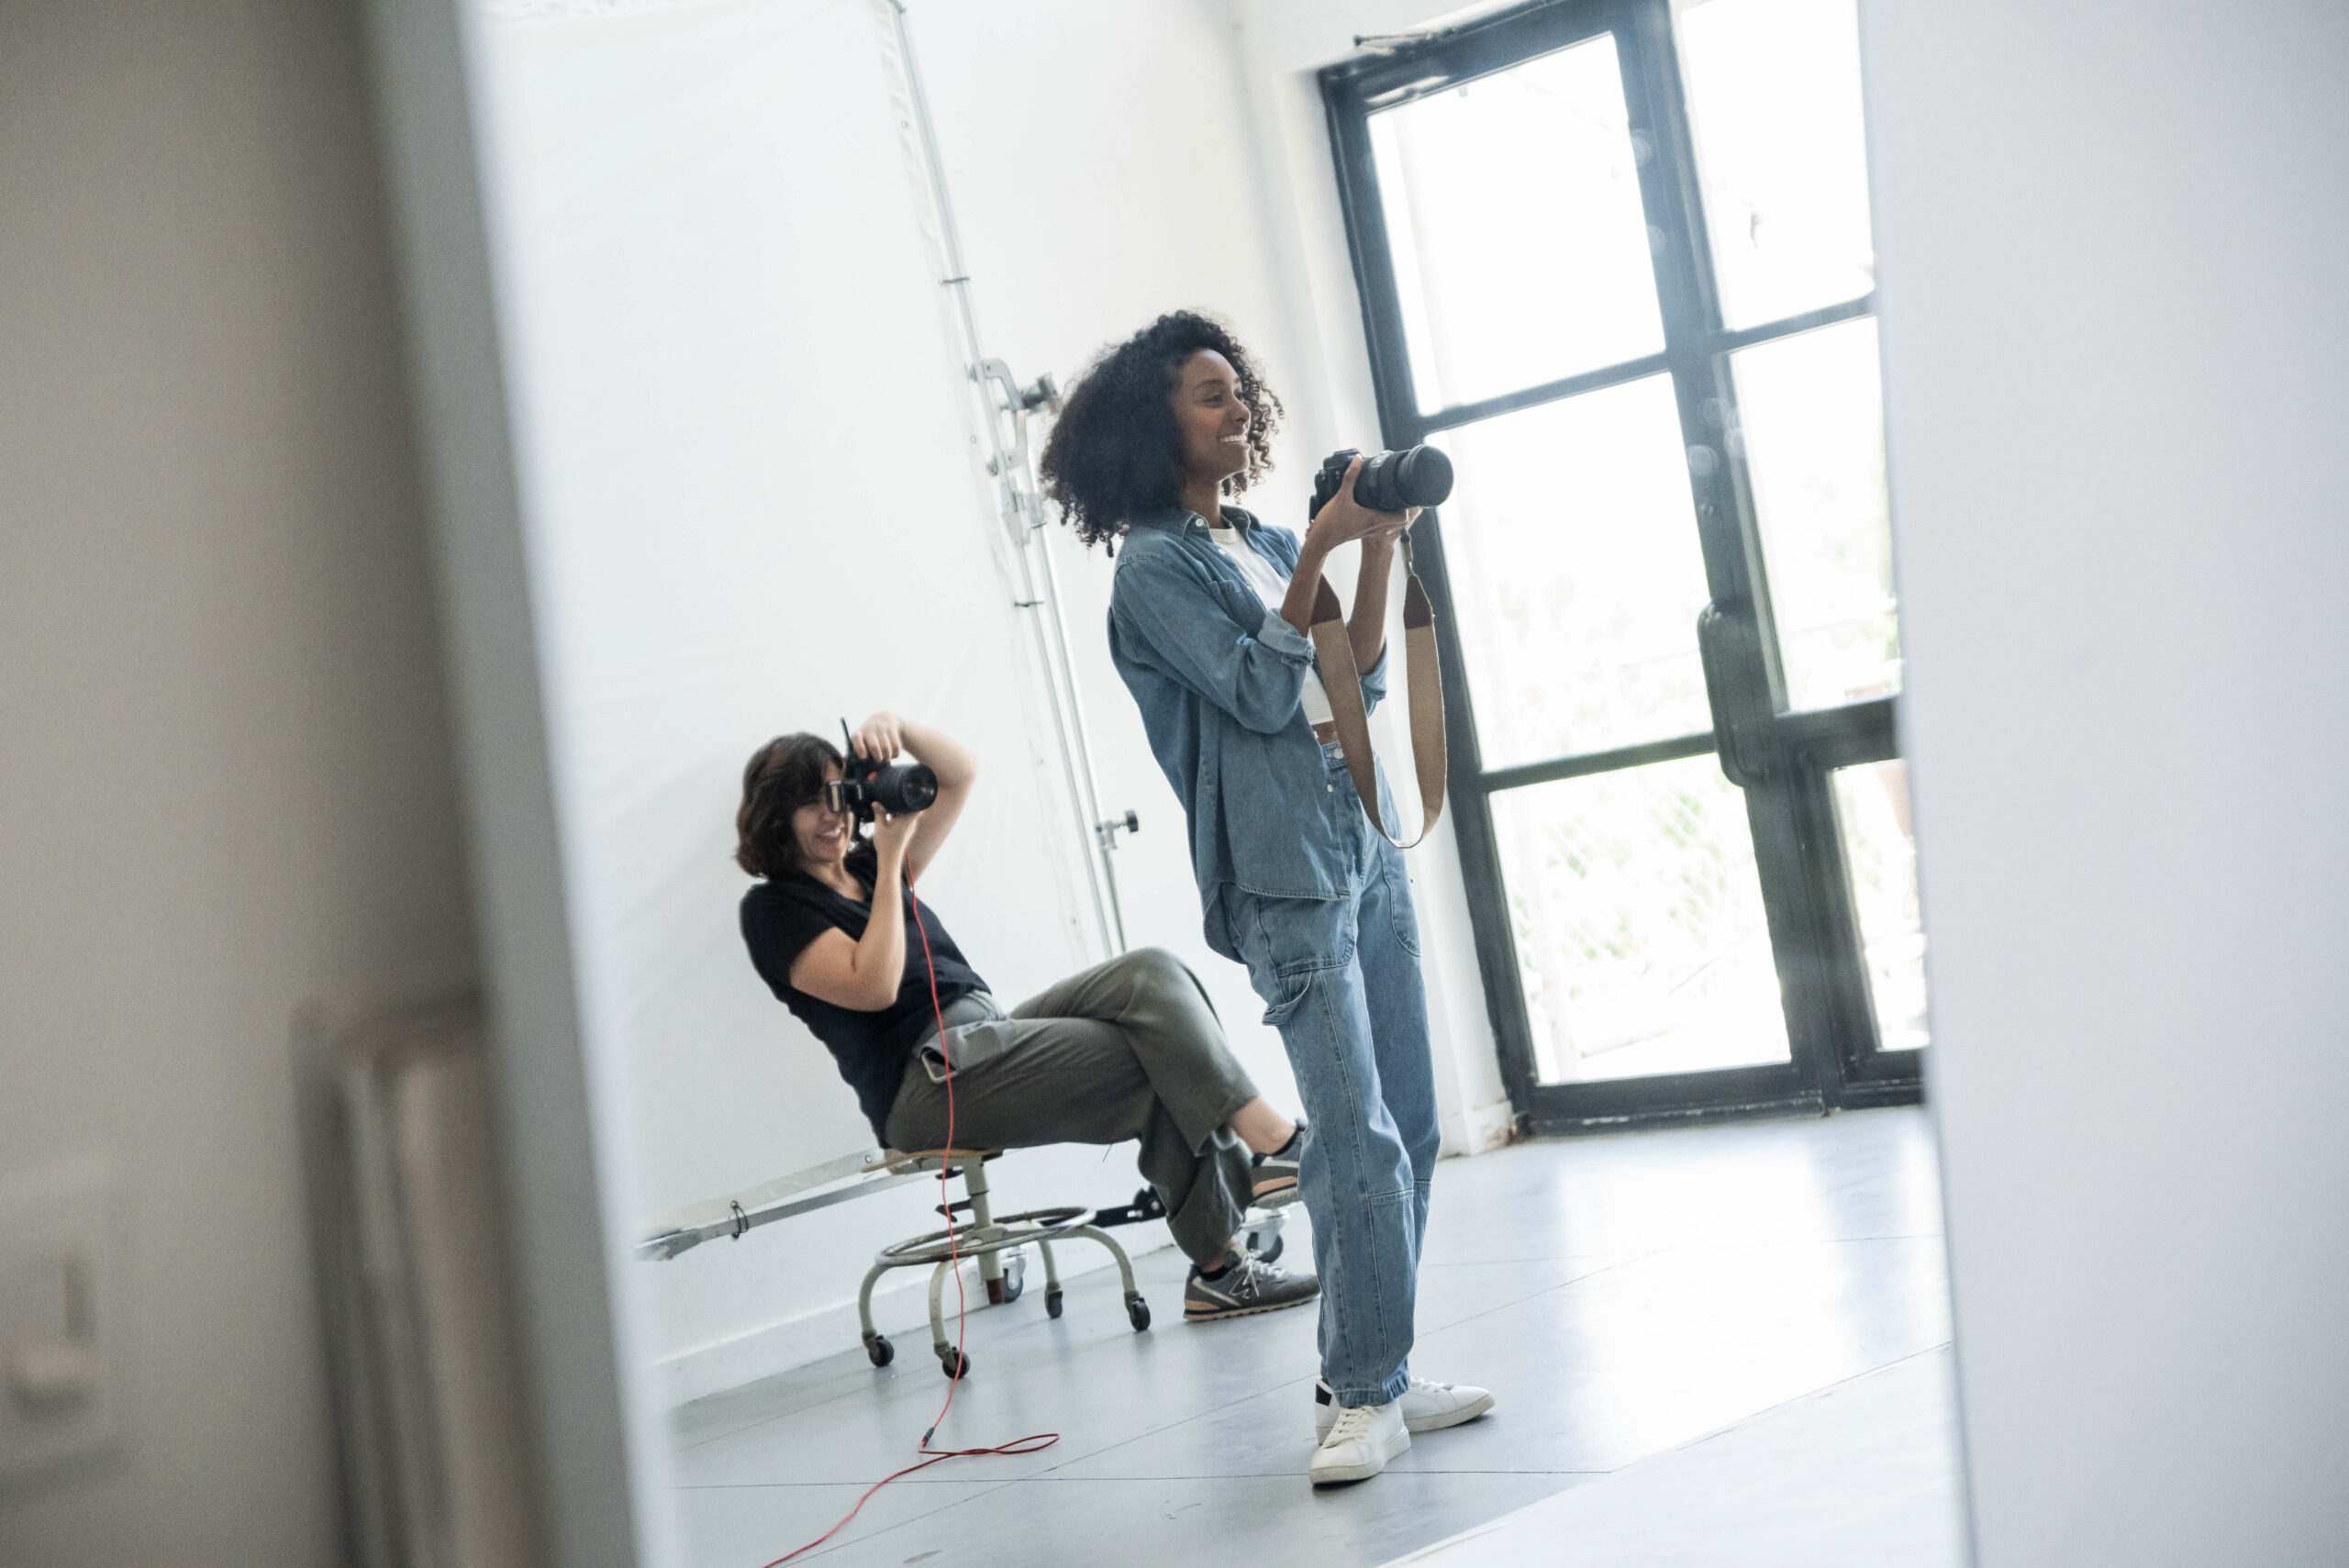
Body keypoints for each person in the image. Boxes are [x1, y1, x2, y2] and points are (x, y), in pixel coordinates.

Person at [1040, 310, 1493, 1485]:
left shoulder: (1254, 533)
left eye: (1239, 388)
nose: (1239, 407)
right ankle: (1360, 1389)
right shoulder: (1153, 567)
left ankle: (1373, 1366)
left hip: (1361, 841)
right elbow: (1251, 689)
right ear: (1157, 424)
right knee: (1352, 1133)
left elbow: (1365, 678)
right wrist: (1315, 555)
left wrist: (1376, 543)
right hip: (1281, 870)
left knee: (1413, 1120)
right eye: (1209, 394)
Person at [735, 710, 1318, 1321]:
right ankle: (1267, 1177)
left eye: (837, 793)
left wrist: (897, 729)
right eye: (810, 804)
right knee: (1154, 1051)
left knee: (1149, 975)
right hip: (925, 1086)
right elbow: (874, 985)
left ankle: (1254, 1195)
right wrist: (890, 864)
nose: (832, 816)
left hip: (985, 1033)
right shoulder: (774, 910)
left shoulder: (867, 868)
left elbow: (958, 775)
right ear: (776, 816)